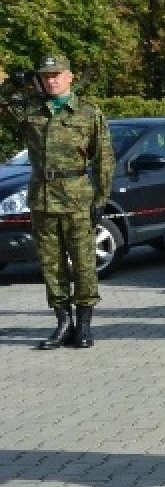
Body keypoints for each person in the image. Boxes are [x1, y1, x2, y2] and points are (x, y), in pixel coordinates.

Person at [0, 54, 112, 349]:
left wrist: (101, 197)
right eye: (46, 76)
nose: (51, 80)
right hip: (43, 196)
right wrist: (14, 82)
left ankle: (84, 325)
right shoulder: (32, 111)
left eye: (56, 75)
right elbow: (4, 104)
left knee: (84, 263)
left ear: (69, 77)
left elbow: (104, 159)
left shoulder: (88, 113)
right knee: (51, 264)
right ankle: (63, 322)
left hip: (77, 195)